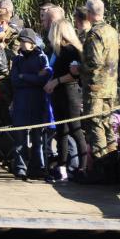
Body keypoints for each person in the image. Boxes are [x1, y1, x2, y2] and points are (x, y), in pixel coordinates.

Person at [44, 19, 90, 182]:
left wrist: (55, 82)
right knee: (61, 131)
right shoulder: (57, 51)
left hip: (70, 93)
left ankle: (83, 167)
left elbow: (74, 74)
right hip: (58, 94)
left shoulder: (72, 50)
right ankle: (62, 168)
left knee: (75, 129)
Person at [80, 0, 120, 159]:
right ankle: (113, 162)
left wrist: (79, 68)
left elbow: (95, 62)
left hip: (96, 89)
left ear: (89, 13)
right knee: (107, 125)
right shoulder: (112, 31)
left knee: (95, 126)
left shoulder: (94, 33)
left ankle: (101, 165)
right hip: (110, 87)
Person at [10, 28, 52, 179]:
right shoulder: (17, 59)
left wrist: (24, 76)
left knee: (37, 138)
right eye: (20, 41)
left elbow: (44, 79)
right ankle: (20, 167)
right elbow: (14, 80)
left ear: (31, 42)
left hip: (37, 101)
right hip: (20, 101)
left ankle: (37, 167)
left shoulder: (41, 57)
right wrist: (31, 77)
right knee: (19, 137)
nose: (21, 44)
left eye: (24, 41)